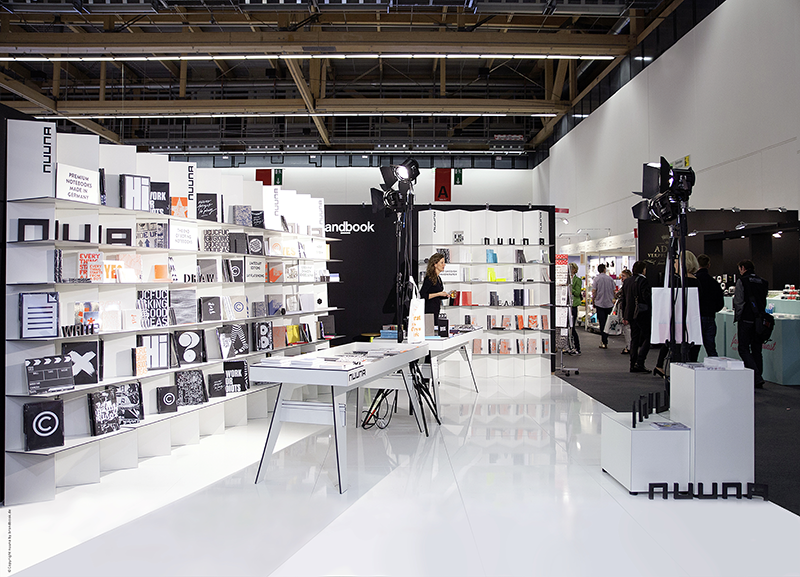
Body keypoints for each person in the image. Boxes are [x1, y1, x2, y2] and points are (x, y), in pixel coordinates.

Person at [653, 251, 702, 378]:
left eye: (676, 262)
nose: (674, 264)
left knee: (675, 346)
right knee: (689, 350)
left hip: (678, 320)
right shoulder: (696, 282)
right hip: (690, 321)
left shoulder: (676, 281)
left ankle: (677, 374)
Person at [733, 259, 769, 389]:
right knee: (757, 349)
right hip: (760, 320)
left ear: (743, 268)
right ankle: (758, 377)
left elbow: (739, 302)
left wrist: (738, 316)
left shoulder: (742, 281)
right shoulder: (763, 281)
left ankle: (756, 377)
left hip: (746, 319)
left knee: (743, 348)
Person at [623, 260, 652, 373]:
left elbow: (624, 299)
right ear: (643, 270)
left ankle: (633, 363)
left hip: (630, 313)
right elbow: (646, 297)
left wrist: (625, 315)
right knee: (648, 337)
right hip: (641, 313)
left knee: (634, 338)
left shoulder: (627, 281)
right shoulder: (643, 281)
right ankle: (640, 362)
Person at [695, 254, 725, 357]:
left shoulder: (695, 281)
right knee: (711, 348)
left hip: (696, 317)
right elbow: (720, 304)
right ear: (708, 265)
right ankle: (715, 366)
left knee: (693, 349)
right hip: (710, 317)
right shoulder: (714, 283)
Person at [591, 263, 616, 349]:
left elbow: (594, 291)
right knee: (608, 322)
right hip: (609, 303)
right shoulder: (610, 279)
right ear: (605, 270)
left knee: (602, 323)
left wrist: (593, 301)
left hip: (600, 303)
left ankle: (604, 341)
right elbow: (614, 291)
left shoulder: (596, 279)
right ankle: (605, 338)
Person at [616, 269, 632, 354]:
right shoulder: (626, 286)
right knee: (627, 329)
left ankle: (629, 347)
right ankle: (629, 346)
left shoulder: (626, 286)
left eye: (624, 276)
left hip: (625, 309)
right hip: (625, 309)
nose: (622, 278)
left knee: (627, 328)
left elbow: (620, 296)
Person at [569, 262, 582, 355]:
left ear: (574, 269)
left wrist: (570, 288)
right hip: (567, 304)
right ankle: (568, 346)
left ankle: (577, 346)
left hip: (574, 305)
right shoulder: (566, 278)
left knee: (572, 327)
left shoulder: (578, 280)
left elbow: (577, 293)